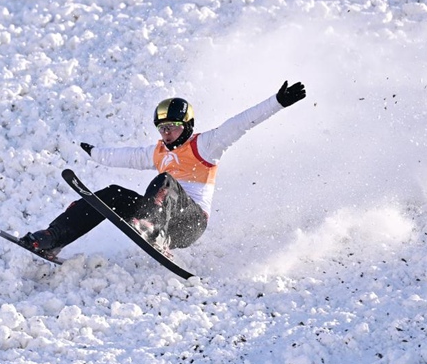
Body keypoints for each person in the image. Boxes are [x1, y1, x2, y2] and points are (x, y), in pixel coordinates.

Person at [20, 80, 307, 258]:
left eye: (171, 128)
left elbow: (240, 123)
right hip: (154, 216)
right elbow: (128, 157)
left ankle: (154, 229)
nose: (166, 133)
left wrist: (277, 102)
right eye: (162, 128)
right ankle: (52, 238)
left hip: (189, 224)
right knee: (110, 193)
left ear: (187, 126)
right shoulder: (158, 151)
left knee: (165, 181)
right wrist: (96, 153)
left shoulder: (205, 145)